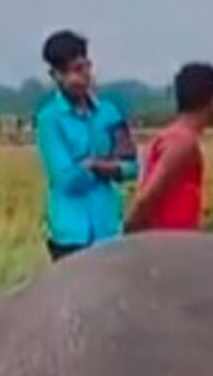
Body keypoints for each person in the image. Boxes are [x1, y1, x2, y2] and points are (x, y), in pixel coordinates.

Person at [34, 29, 138, 261]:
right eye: (71, 72)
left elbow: (131, 167)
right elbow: (65, 179)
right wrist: (105, 165)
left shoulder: (110, 113)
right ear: (55, 75)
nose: (80, 78)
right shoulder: (49, 120)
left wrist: (91, 164)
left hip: (108, 228)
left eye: (84, 68)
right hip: (69, 233)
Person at [126, 62, 213, 234]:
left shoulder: (169, 136)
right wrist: (128, 236)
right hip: (167, 245)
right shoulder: (183, 143)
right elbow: (147, 199)